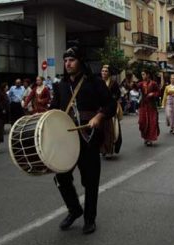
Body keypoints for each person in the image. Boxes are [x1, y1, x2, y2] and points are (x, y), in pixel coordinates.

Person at [50, 42, 116, 234]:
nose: (68, 63)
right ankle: (74, 209)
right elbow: (54, 110)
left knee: (90, 180)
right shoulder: (60, 85)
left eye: (72, 60)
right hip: (67, 139)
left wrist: (99, 116)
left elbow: (110, 105)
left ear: (80, 62)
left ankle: (89, 219)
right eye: (65, 60)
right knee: (61, 176)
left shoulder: (94, 82)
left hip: (89, 137)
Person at [100, 65, 122, 159]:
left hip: (111, 109)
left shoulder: (113, 83)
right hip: (100, 109)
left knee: (111, 130)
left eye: (106, 71)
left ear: (109, 73)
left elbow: (118, 95)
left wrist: (112, 100)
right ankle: (103, 149)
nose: (104, 73)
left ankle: (109, 149)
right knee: (101, 130)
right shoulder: (99, 83)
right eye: (102, 71)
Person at [138, 69, 160, 146]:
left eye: (144, 74)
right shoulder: (141, 83)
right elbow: (134, 87)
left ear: (148, 75)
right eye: (142, 74)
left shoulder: (153, 83)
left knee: (152, 122)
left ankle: (150, 139)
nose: (142, 76)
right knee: (142, 121)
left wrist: (153, 94)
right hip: (143, 105)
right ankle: (145, 137)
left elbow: (158, 92)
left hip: (151, 105)